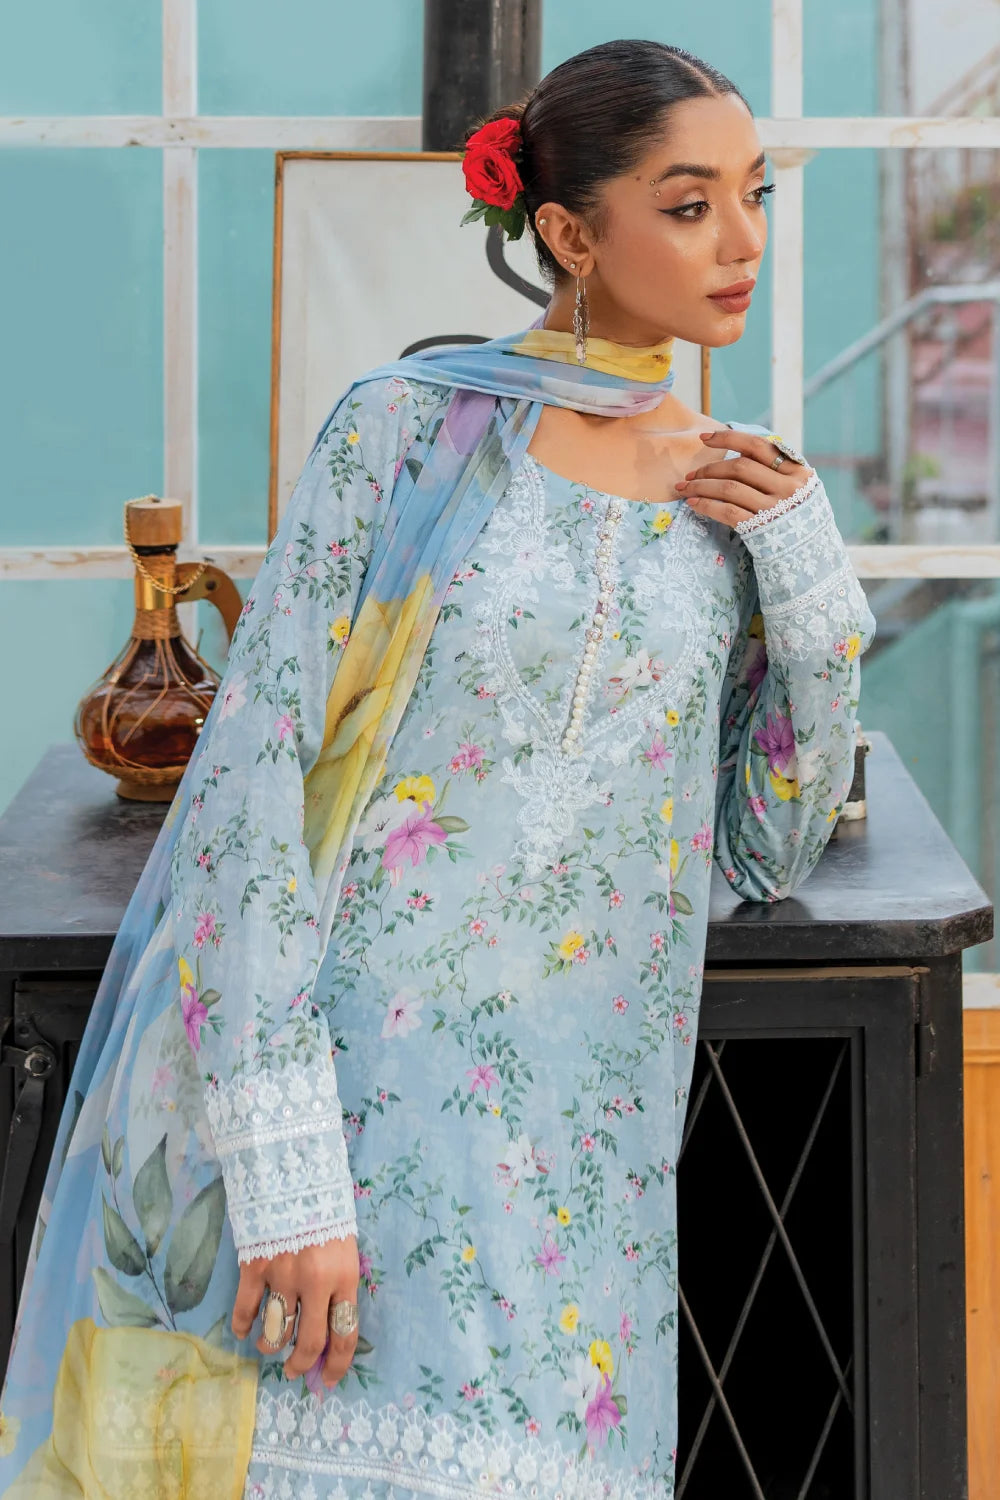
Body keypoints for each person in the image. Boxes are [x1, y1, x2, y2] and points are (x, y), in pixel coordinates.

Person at [0, 37, 876, 1500]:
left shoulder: (740, 494)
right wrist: (286, 1173)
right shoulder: (409, 437)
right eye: (688, 204)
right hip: (346, 1120)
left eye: (755, 194)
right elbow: (252, 793)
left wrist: (813, 590)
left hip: (583, 1164)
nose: (742, 241)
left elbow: (762, 850)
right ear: (570, 235)